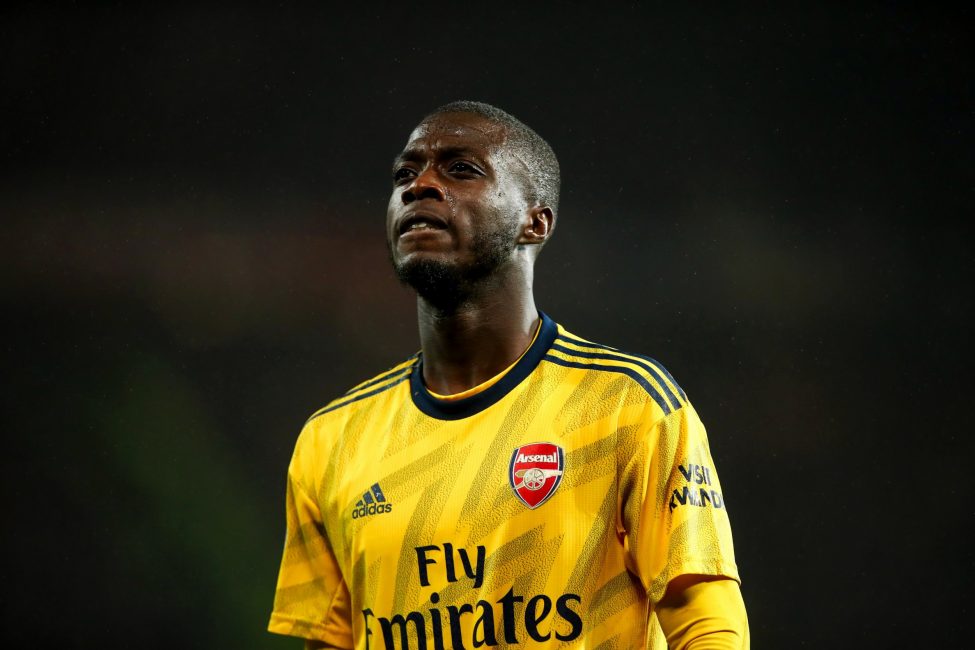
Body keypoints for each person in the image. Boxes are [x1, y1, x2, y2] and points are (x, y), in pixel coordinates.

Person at [268, 101, 749, 649]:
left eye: (460, 169)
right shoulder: (332, 440)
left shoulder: (628, 406)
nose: (419, 186)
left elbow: (707, 624)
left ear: (535, 221)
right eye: (404, 174)